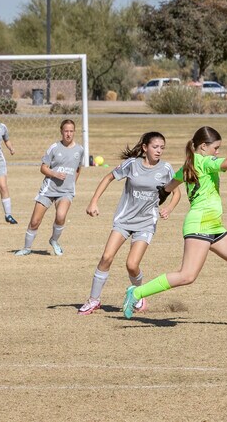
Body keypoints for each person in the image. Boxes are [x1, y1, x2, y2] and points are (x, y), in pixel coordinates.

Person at [121, 126, 227, 326]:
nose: (218, 152)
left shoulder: (189, 163)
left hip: (214, 225)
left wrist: (163, 194)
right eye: (216, 148)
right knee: (187, 276)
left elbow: (169, 186)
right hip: (200, 225)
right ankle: (137, 292)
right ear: (203, 147)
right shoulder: (203, 161)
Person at [78, 132, 181, 315]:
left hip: (146, 223)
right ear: (145, 148)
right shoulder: (132, 164)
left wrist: (169, 208)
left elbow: (177, 193)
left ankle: (139, 295)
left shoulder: (166, 168)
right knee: (106, 257)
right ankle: (94, 300)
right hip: (124, 220)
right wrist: (94, 201)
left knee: (132, 265)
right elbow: (108, 178)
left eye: (162, 148)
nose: (159, 151)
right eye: (155, 147)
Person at [15, 119, 84, 256]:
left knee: (61, 215)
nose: (68, 134)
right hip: (48, 189)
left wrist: (72, 184)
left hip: (66, 191)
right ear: (61, 131)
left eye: (71, 131)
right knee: (35, 221)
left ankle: (54, 240)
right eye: (66, 131)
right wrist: (54, 174)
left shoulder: (80, 150)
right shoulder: (54, 148)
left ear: (74, 132)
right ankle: (27, 248)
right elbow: (43, 168)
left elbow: (78, 169)